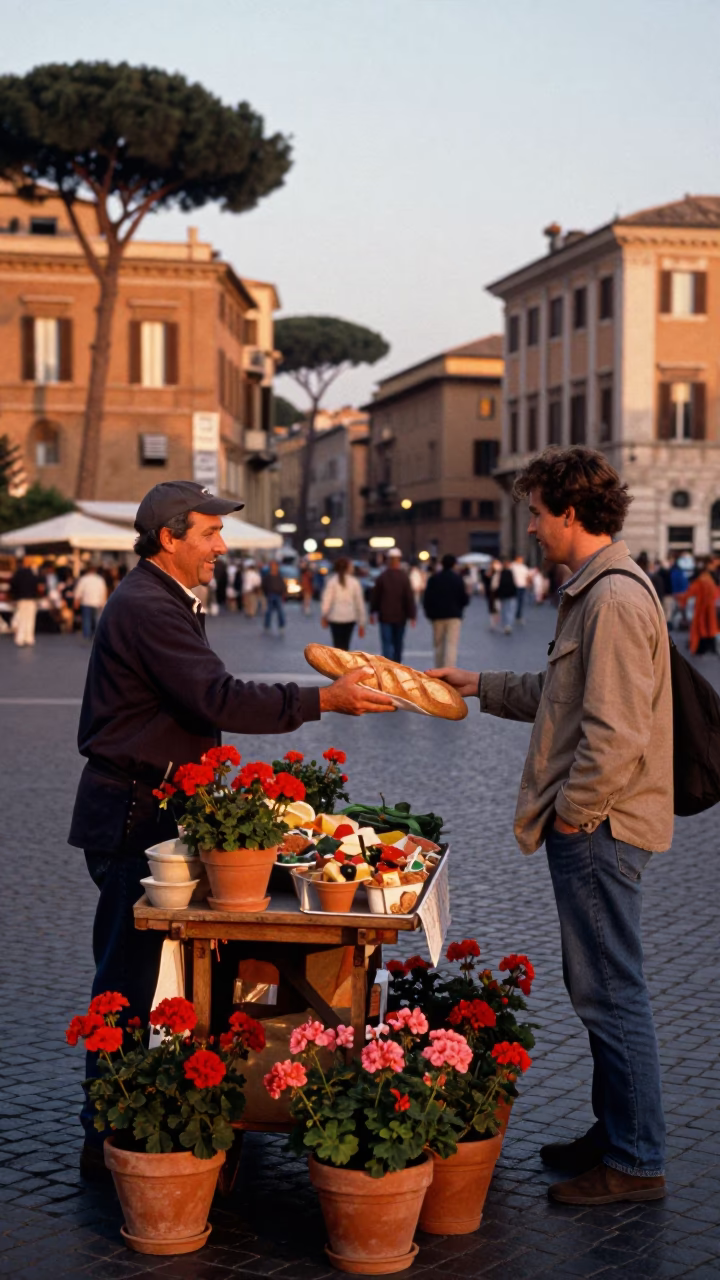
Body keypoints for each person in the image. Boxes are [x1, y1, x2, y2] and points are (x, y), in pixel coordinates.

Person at [68, 480, 395, 1180]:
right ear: (170, 539)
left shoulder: (164, 599)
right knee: (126, 973)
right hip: (134, 811)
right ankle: (105, 1134)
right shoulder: (147, 606)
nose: (221, 546)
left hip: (149, 804)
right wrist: (322, 700)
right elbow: (214, 695)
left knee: (155, 970)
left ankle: (158, 1107)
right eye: (210, 534)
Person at [430, 446, 671, 1207]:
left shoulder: (615, 600)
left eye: (535, 511)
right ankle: (615, 1133)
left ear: (570, 512)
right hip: (595, 825)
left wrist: (573, 817)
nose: (529, 525)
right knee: (597, 985)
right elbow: (563, 692)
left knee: (611, 992)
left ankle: (636, 1162)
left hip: (601, 829)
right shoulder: (592, 593)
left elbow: (614, 731)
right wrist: (479, 684)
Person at [369, 547, 416, 662]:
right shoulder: (404, 577)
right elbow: (409, 598)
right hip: (400, 616)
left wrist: (372, 612)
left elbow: (375, 597)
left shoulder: (382, 577)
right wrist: (412, 615)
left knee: (387, 644)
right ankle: (397, 665)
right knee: (398, 644)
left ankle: (387, 666)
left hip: (385, 616)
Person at [422, 553, 469, 668]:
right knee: (451, 645)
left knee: (438, 644)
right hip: (454, 616)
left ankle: (438, 668)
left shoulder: (434, 578)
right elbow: (464, 598)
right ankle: (449, 669)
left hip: (437, 616)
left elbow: (427, 598)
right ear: (454, 565)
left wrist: (429, 613)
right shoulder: (458, 579)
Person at [321, 557, 367, 650]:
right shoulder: (354, 582)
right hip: (350, 618)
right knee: (346, 644)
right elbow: (359, 603)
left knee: (337, 644)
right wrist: (361, 623)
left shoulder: (332, 581)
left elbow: (327, 600)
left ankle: (337, 663)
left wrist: (324, 615)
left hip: (335, 617)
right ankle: (344, 662)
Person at [678, 558, 719, 655]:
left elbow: (690, 592)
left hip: (702, 609)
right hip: (709, 609)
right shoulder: (708, 580)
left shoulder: (701, 580)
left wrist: (682, 600)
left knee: (702, 629)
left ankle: (701, 648)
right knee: (709, 628)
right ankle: (709, 648)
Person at [9, 557, 40, 647]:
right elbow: (37, 586)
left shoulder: (18, 574)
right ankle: (29, 638)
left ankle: (20, 638)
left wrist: (14, 597)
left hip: (21, 599)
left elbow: (13, 586)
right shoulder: (32, 574)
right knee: (30, 619)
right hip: (31, 599)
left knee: (22, 619)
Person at [73, 565, 108, 641]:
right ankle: (96, 635)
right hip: (97, 603)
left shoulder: (83, 579)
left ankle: (87, 635)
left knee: (86, 619)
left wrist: (76, 601)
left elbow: (78, 591)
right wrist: (104, 602)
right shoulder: (100, 579)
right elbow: (103, 591)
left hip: (86, 602)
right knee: (97, 620)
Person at [495, 557, 518, 634]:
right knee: (509, 610)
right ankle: (508, 625)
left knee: (505, 610)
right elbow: (514, 583)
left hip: (504, 594)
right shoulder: (510, 572)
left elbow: (498, 584)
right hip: (510, 593)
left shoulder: (501, 573)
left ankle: (506, 625)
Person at [262, 560, 287, 631]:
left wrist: (283, 592)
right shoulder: (268, 576)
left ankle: (281, 625)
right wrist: (267, 593)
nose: (274, 567)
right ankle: (267, 624)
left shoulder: (279, 576)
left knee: (280, 611)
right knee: (269, 611)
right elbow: (264, 585)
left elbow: (282, 585)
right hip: (270, 594)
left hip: (278, 595)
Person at [511, 555, 532, 624]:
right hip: (514, 586)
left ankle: (518, 616)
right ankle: (511, 615)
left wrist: (528, 583)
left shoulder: (524, 567)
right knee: (513, 601)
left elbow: (528, 576)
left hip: (522, 586)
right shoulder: (513, 566)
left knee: (520, 602)